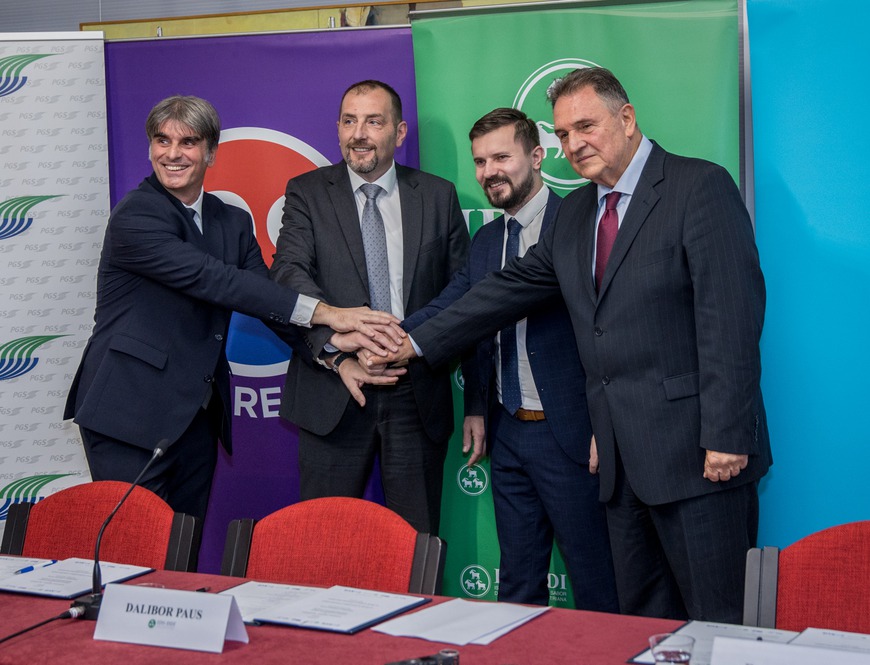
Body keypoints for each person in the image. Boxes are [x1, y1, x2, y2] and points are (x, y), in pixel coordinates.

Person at [369, 68, 771, 623]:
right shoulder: (580, 211)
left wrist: (726, 435)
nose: (574, 143)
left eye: (586, 126)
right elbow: (502, 292)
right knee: (635, 625)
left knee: (716, 619)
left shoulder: (698, 186)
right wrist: (409, 340)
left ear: (626, 119)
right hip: (620, 467)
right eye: (562, 133)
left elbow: (731, 321)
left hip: (700, 460)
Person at [65, 95, 400, 522]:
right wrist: (329, 313)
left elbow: (265, 297)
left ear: (210, 152)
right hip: (128, 413)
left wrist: (334, 356)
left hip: (195, 417)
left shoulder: (231, 221)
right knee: (132, 546)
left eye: (188, 142)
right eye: (162, 140)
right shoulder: (136, 214)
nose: (172, 153)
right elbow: (215, 279)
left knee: (181, 549)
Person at [401, 108, 618, 610]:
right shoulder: (485, 241)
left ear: (537, 156)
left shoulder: (580, 224)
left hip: (572, 433)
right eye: (480, 161)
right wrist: (388, 337)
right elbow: (456, 312)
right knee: (517, 585)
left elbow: (609, 331)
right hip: (508, 433)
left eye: (501, 157)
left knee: (597, 583)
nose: (489, 172)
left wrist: (605, 426)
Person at [269, 80, 469, 535]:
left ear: (399, 132)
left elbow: (461, 288)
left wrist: (409, 341)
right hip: (332, 392)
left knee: (416, 544)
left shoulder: (437, 195)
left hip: (415, 393)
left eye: (373, 121)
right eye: (349, 121)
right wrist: (339, 343)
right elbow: (288, 274)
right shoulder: (307, 192)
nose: (358, 133)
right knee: (322, 540)